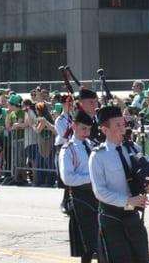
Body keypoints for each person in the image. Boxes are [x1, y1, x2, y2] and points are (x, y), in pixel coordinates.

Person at [89, 106, 149, 263]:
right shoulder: (98, 156)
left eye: (123, 124)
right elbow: (99, 191)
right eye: (117, 125)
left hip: (133, 215)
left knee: (140, 258)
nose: (123, 129)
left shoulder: (133, 147)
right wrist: (127, 200)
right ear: (104, 129)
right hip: (111, 216)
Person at [59, 110, 98, 263]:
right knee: (87, 244)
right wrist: (92, 178)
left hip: (97, 194)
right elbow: (67, 178)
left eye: (89, 129)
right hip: (80, 197)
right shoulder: (68, 149)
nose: (87, 132)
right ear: (74, 126)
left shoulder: (93, 145)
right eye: (83, 128)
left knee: (101, 242)